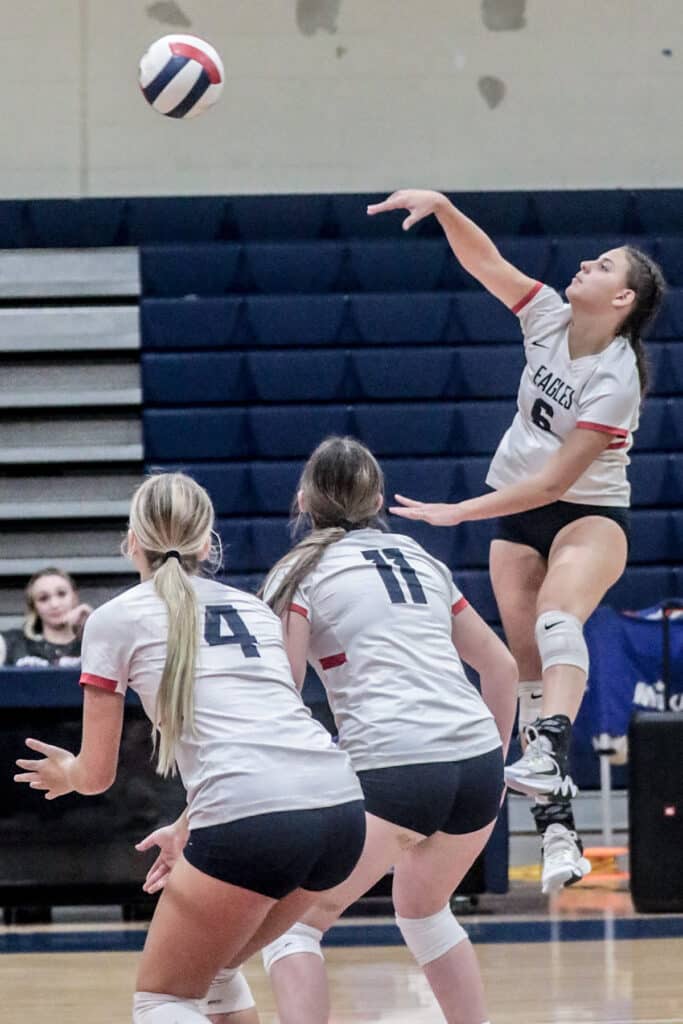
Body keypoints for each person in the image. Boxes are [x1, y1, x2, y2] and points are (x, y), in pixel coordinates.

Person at [367, 188, 666, 893]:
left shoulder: (615, 380)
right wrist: (442, 208)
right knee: (529, 674)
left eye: (602, 266)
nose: (585, 265)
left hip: (584, 515)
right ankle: (561, 835)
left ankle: (551, 754)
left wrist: (458, 512)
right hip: (517, 520)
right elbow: (486, 262)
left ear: (621, 300)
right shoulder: (548, 318)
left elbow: (553, 483)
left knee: (558, 617)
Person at [14, 472, 366, 1024]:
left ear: (132, 541)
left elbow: (98, 773)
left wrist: (68, 775)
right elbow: (263, 735)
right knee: (216, 974)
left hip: (254, 816)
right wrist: (190, 822)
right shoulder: (255, 612)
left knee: (162, 1000)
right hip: (341, 811)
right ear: (207, 542)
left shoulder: (112, 620)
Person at [187, 436, 517, 1024]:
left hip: (393, 765)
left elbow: (280, 691)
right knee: (424, 912)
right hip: (478, 762)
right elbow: (502, 667)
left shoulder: (300, 569)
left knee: (294, 930)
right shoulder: (421, 558)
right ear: (380, 499)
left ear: (303, 500)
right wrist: (492, 771)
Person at [0, 567, 92, 668]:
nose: (54, 604)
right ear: (34, 607)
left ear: (75, 597)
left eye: (61, 594)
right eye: (43, 598)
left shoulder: (94, 643)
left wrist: (95, 627)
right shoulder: (13, 643)